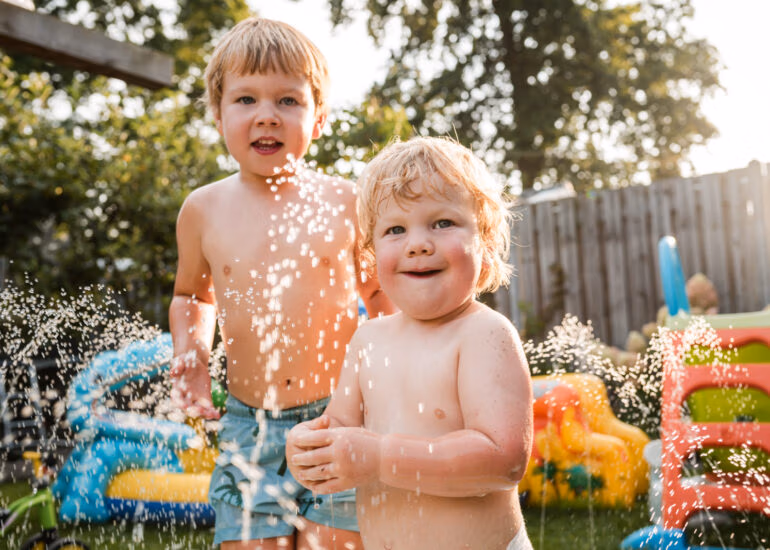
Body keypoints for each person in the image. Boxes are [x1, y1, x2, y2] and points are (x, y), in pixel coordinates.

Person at [168, 17, 394, 550]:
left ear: (319, 119)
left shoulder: (345, 202)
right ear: (218, 114)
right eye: (246, 99)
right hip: (249, 425)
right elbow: (191, 296)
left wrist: (397, 372)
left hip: (339, 416)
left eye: (288, 101)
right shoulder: (203, 209)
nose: (266, 115)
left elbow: (380, 296)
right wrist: (192, 353)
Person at [286, 136, 535, 550]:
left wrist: (381, 458)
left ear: (486, 241)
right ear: (371, 255)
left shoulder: (484, 335)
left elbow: (502, 459)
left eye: (443, 223)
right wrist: (312, 448)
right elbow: (340, 425)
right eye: (396, 229)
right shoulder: (367, 340)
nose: (418, 244)